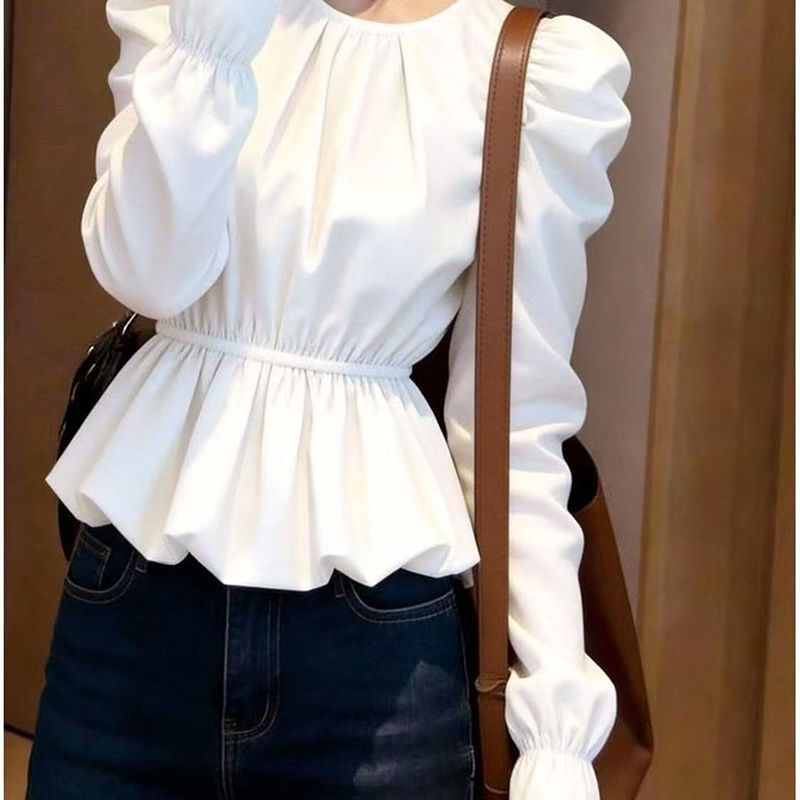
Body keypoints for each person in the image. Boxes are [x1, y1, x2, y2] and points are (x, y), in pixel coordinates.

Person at [27, 0, 632, 797]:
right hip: (136, 609)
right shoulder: (189, 21)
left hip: (376, 640)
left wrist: (556, 719)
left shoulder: (524, 69)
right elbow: (149, 275)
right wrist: (214, 41)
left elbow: (515, 427)